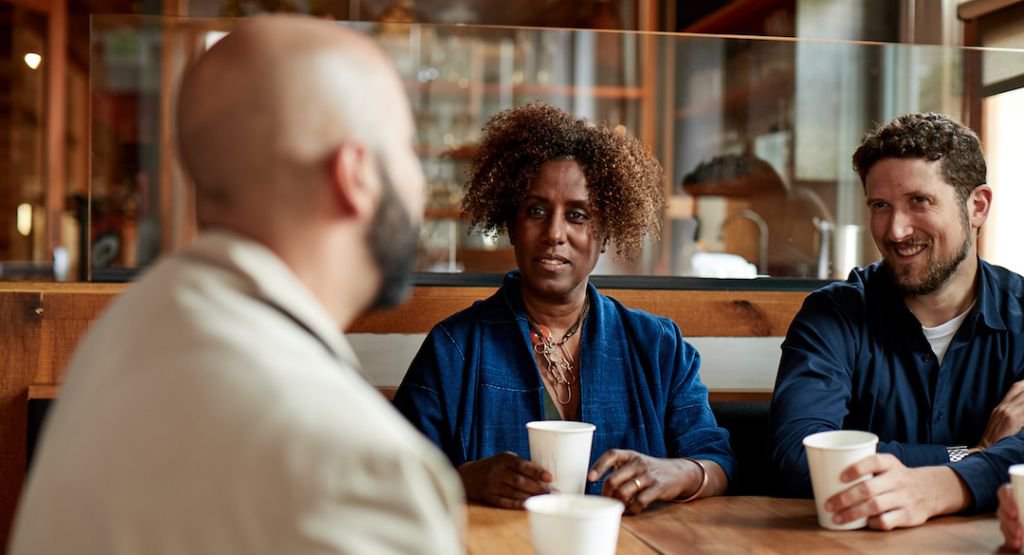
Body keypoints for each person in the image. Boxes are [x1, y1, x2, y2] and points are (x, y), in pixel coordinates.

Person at [10, 15, 464, 554]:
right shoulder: (361, 470)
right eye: (409, 150)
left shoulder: (121, 338)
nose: (420, 184)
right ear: (356, 174)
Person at [393, 103, 735, 514]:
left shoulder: (659, 346)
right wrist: (464, 479)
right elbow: (393, 474)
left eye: (578, 215)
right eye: (536, 211)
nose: (554, 233)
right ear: (511, 225)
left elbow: (717, 462)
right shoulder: (455, 347)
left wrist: (676, 473)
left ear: (605, 234)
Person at [770, 112, 1024, 530]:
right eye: (880, 206)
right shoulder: (832, 316)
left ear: (977, 206)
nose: (896, 230)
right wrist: (971, 458)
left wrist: (942, 487)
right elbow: (798, 458)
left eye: (919, 202)